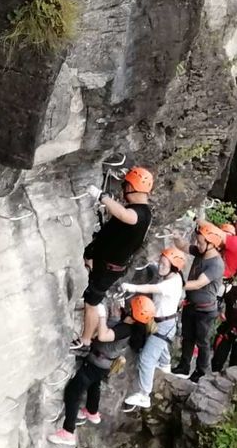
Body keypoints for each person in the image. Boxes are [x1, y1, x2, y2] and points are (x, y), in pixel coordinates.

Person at [50, 294, 152, 446]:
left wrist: (102, 315)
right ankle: (92, 412)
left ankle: (68, 432)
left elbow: (103, 336)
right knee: (94, 385)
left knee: (73, 392)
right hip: (103, 364)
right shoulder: (132, 325)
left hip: (96, 364)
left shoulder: (126, 329)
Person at [74, 166, 154, 348]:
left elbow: (126, 216)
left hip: (108, 268)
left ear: (132, 187)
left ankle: (85, 340)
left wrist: (103, 197)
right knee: (91, 298)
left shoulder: (141, 213)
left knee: (91, 303)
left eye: (125, 185)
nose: (123, 189)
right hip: (105, 262)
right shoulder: (140, 210)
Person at [118, 248, 187, 409]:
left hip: (164, 325)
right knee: (158, 344)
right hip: (161, 322)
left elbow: (152, 289)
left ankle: (144, 395)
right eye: (161, 263)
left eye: (164, 264)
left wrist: (131, 287)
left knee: (146, 358)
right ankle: (165, 364)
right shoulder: (172, 275)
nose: (160, 266)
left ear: (174, 267)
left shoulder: (171, 284)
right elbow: (157, 268)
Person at [173, 222, 228, 380]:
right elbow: (184, 246)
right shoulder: (201, 252)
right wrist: (176, 237)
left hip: (205, 310)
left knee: (202, 342)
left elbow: (199, 283)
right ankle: (184, 366)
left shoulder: (216, 264)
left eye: (201, 242)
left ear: (211, 244)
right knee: (187, 337)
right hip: (191, 305)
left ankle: (201, 372)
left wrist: (178, 285)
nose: (197, 244)